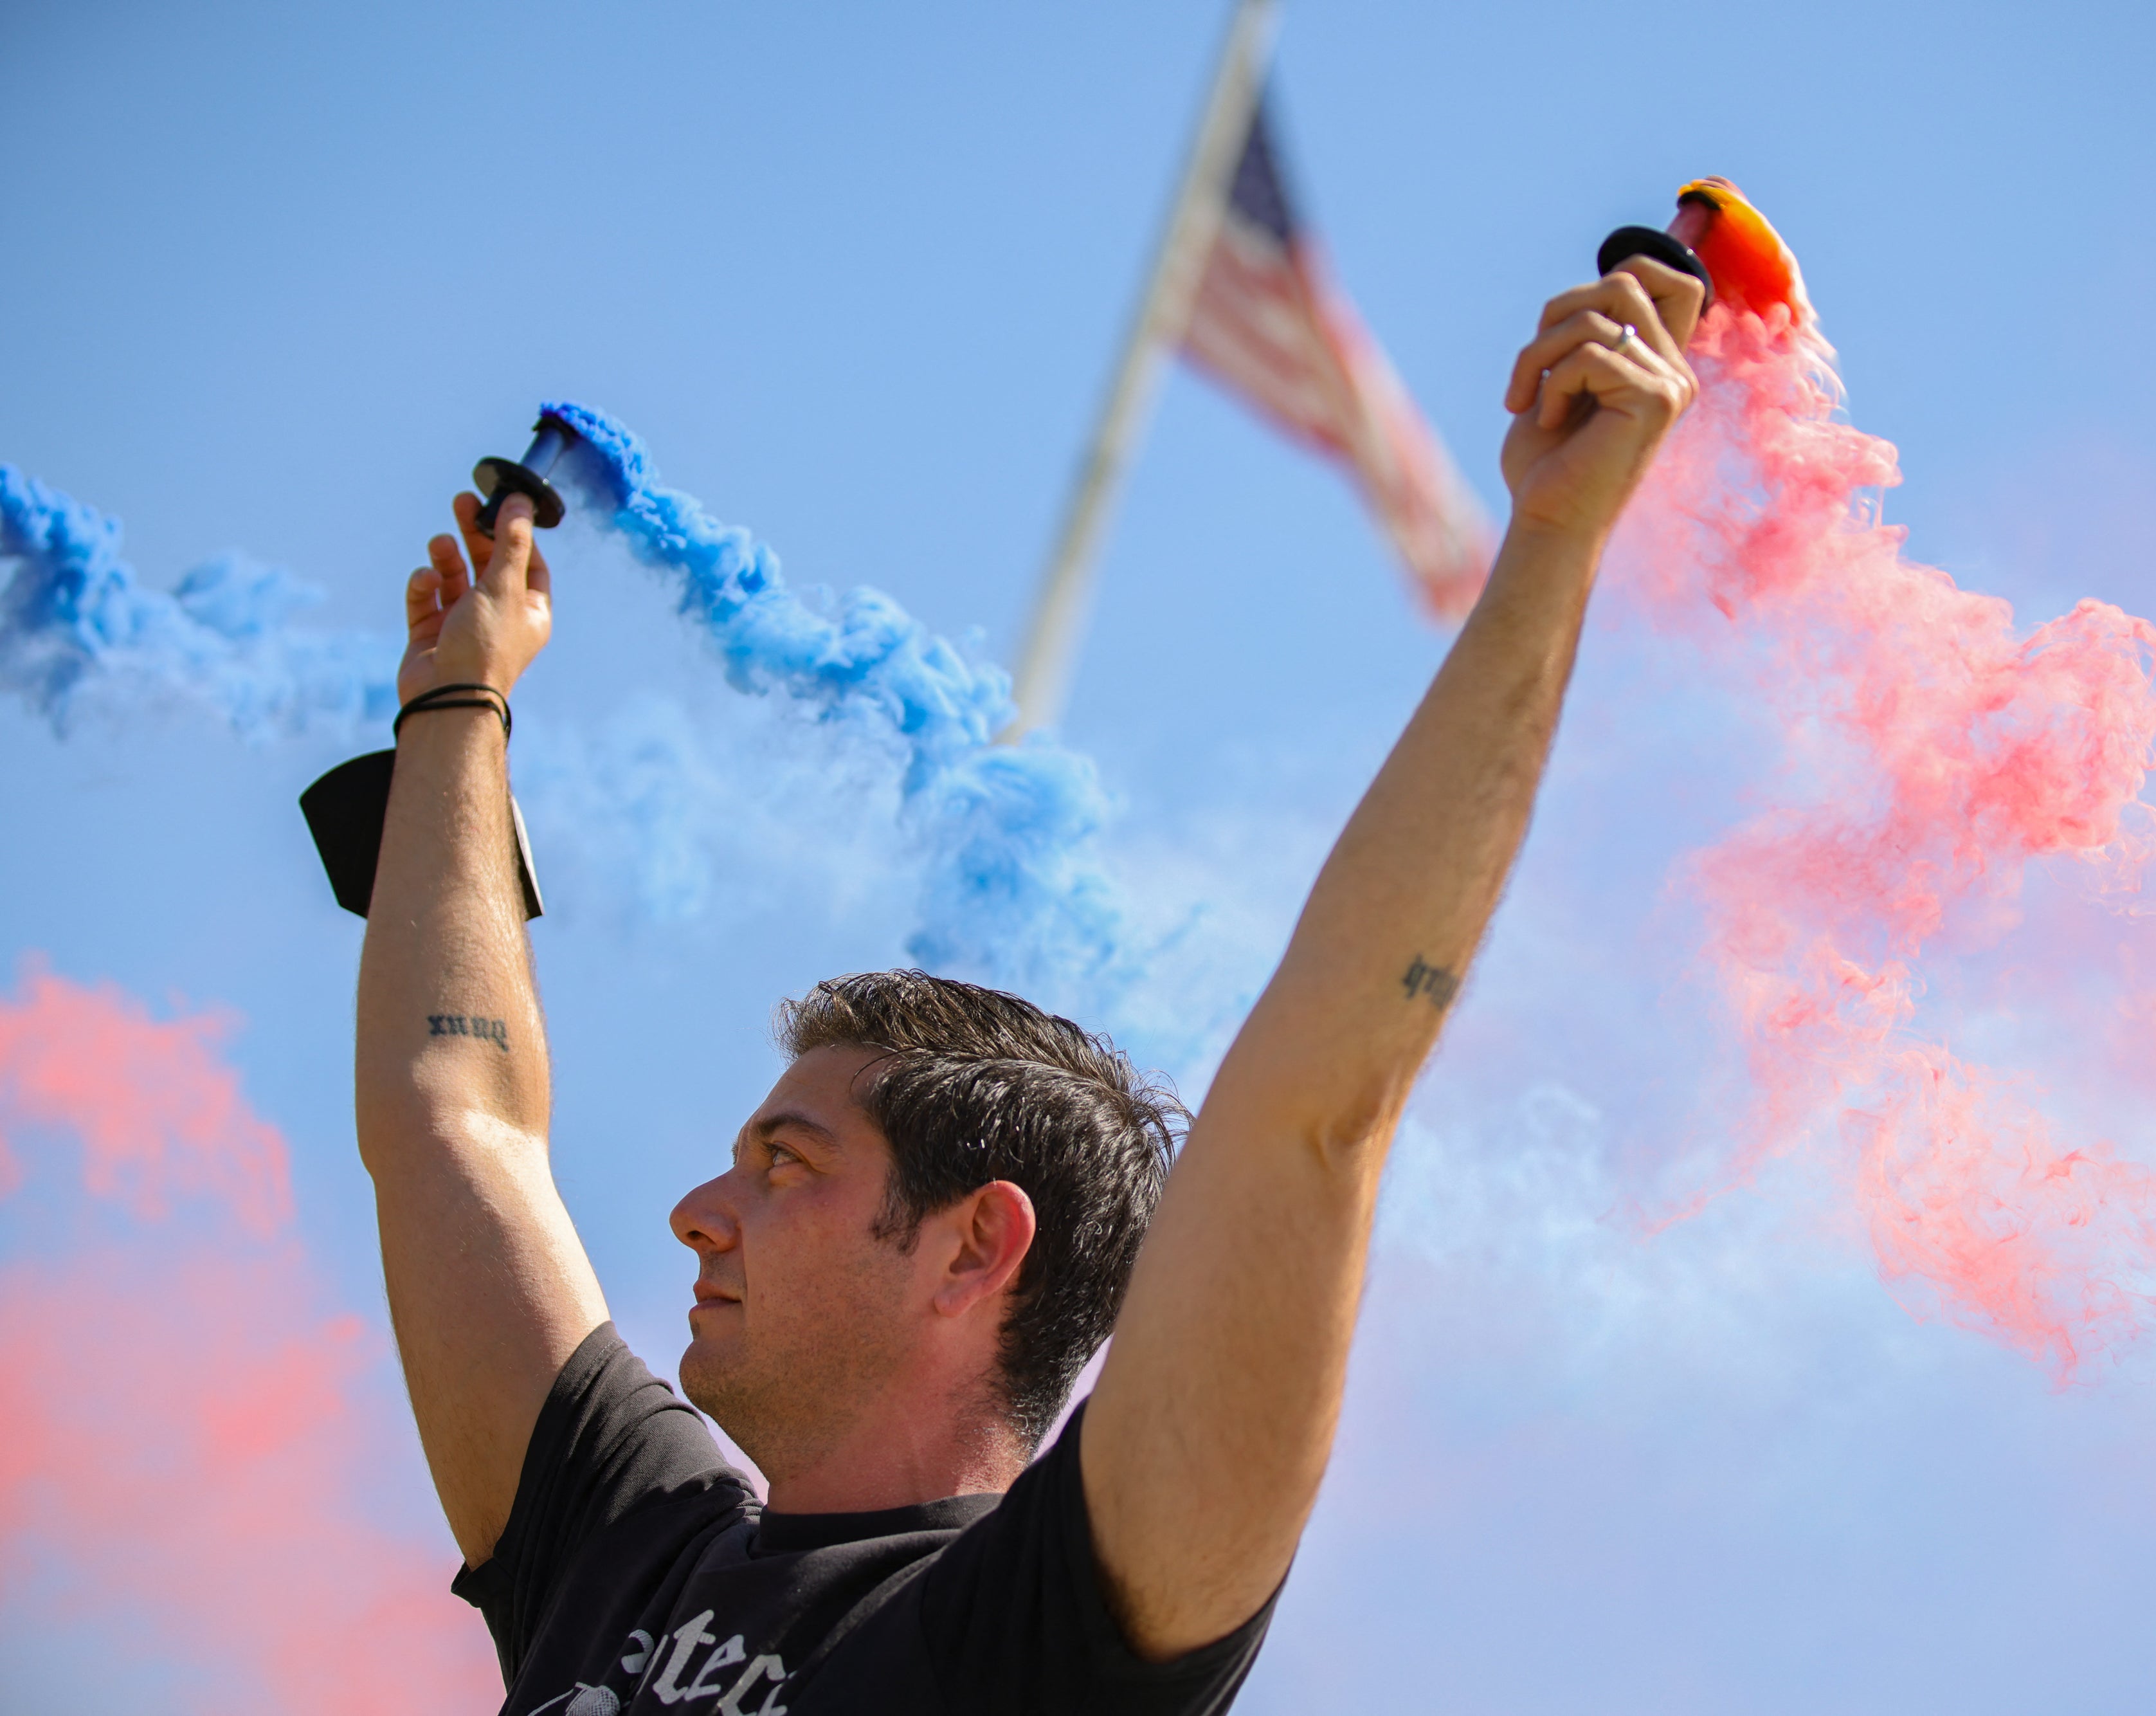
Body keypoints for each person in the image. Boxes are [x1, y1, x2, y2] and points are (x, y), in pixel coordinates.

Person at [355, 249, 1706, 1715]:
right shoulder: (616, 1544)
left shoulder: (1053, 1634)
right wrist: (454, 707)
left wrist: (1553, 550)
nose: (693, 1209)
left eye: (784, 1163)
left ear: (973, 1246)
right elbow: (457, 1119)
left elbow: (1316, 1101)